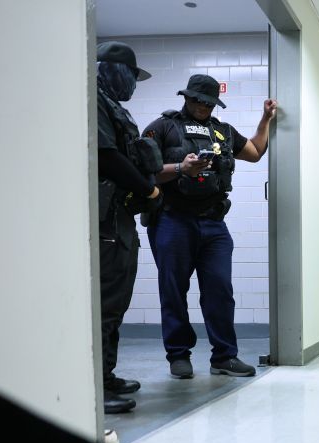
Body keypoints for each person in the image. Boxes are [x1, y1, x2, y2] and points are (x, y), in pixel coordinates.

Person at [142, 74, 277, 379]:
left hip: (214, 224)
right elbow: (142, 173)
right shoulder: (162, 127)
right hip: (172, 220)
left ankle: (224, 357)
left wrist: (265, 120)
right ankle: (178, 356)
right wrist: (180, 168)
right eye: (197, 100)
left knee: (220, 290)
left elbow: (255, 152)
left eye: (209, 102)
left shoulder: (223, 131)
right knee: (173, 291)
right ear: (186, 97)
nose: (203, 106)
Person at [96, 41, 163, 414]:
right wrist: (148, 187)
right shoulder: (94, 102)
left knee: (117, 301)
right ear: (112, 70)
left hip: (120, 218)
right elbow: (107, 157)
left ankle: (106, 376)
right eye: (132, 78)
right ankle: (93, 386)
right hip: (106, 218)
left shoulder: (113, 106)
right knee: (106, 303)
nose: (134, 86)